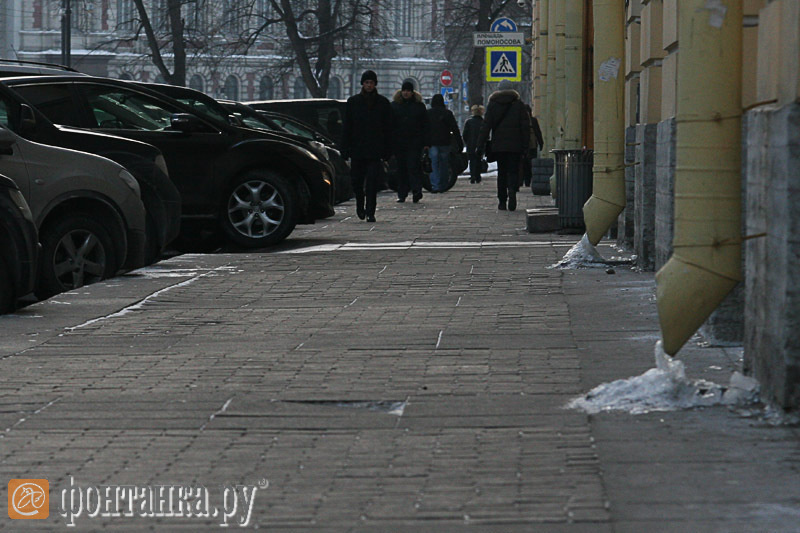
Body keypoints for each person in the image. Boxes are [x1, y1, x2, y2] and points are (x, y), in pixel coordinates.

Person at [341, 70, 393, 222]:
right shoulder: (353, 102)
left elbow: (388, 128)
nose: (369, 85)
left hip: (375, 150)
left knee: (372, 183)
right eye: (366, 83)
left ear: (375, 84)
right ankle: (360, 204)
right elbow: (347, 127)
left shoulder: (383, 103)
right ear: (362, 84)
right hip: (357, 149)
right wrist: (344, 148)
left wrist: (387, 150)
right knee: (357, 181)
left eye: (371, 83)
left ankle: (370, 211)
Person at [477, 79, 531, 211]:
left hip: (499, 145)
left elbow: (486, 126)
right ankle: (512, 189)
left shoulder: (493, 104)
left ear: (499, 89)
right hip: (515, 145)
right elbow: (525, 126)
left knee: (502, 172)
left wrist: (480, 144)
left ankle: (502, 200)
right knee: (513, 170)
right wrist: (526, 145)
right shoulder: (519, 105)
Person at [391, 81, 430, 203]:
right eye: (404, 91)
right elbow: (389, 125)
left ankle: (416, 191)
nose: (406, 93)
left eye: (408, 91)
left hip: (414, 142)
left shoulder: (419, 106)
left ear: (412, 92)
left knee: (413, 167)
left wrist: (426, 142)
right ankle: (402, 193)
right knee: (401, 169)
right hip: (399, 143)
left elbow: (425, 125)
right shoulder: (395, 106)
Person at [427, 93, 463, 193]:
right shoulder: (447, 113)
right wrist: (459, 143)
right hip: (445, 142)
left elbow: (423, 129)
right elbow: (455, 129)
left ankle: (435, 185)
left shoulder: (428, 113)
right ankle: (443, 184)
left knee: (434, 163)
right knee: (444, 164)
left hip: (432, 142)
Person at [520, 103, 545, 188]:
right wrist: (541, 143)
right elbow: (538, 132)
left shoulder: (524, 120)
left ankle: (526, 180)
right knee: (527, 164)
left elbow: (538, 132)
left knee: (526, 164)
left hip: (526, 145)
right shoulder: (532, 120)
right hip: (529, 145)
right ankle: (527, 180)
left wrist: (541, 142)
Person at [462, 104, 485, 184]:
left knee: (472, 161)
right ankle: (478, 176)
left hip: (471, 144)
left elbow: (465, 134)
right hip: (480, 144)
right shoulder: (483, 122)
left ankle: (472, 176)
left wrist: (467, 142)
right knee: (478, 159)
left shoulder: (469, 122)